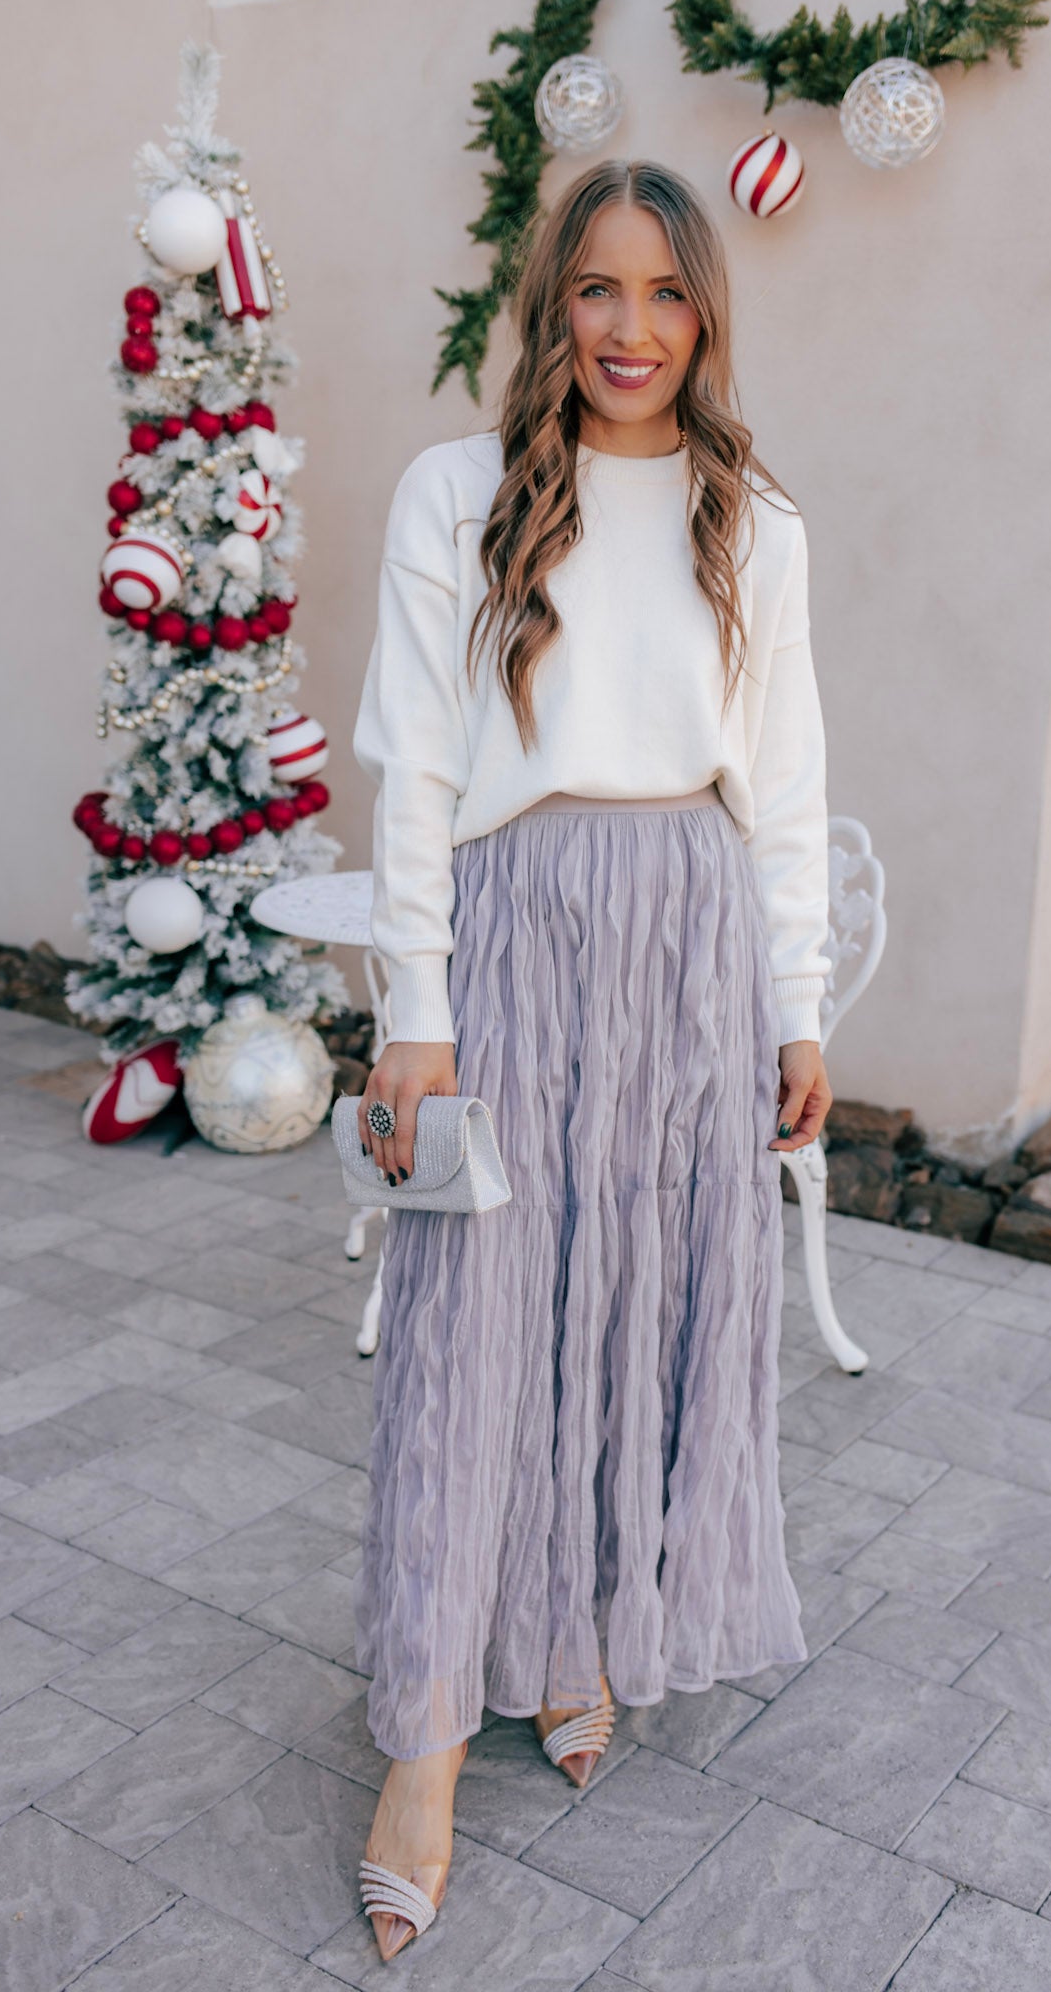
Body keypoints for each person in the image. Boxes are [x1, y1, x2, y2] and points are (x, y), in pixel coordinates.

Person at [349, 156, 833, 1963]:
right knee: (476, 1324)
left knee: (634, 1305)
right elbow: (414, 770)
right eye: (597, 289)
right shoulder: (455, 494)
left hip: (692, 941)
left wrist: (797, 1003)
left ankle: (574, 1639)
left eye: (667, 292)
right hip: (510, 931)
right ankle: (420, 1747)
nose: (632, 328)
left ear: (706, 313)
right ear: (553, 303)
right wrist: (412, 1011)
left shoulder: (750, 521)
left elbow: (785, 781)